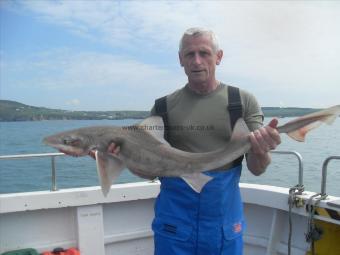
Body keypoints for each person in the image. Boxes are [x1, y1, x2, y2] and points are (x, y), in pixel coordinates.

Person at [97, 27, 281, 254]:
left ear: (218, 57)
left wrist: (261, 150)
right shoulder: (162, 108)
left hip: (223, 222)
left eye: (204, 53)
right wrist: (124, 157)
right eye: (189, 54)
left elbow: (257, 168)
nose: (197, 61)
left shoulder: (242, 102)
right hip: (174, 226)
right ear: (180, 60)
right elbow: (151, 172)